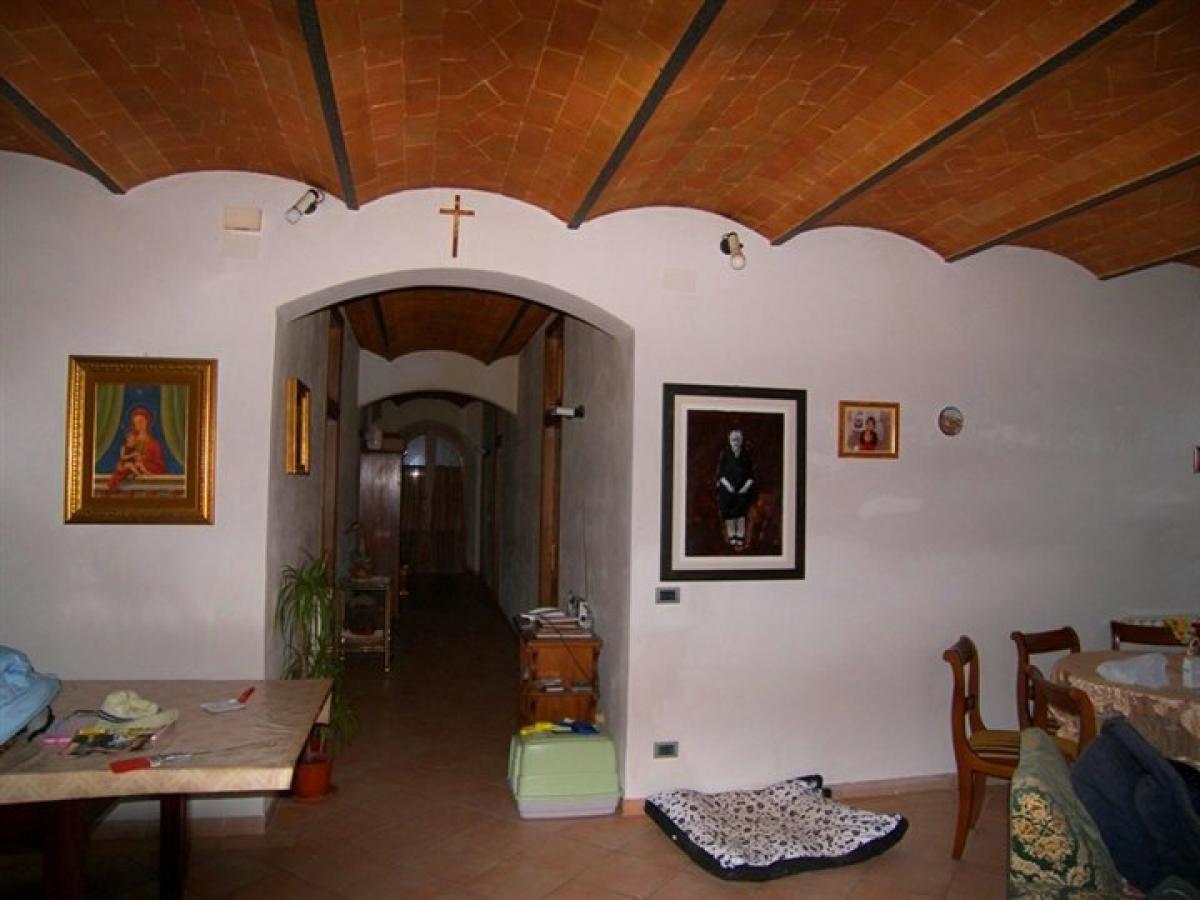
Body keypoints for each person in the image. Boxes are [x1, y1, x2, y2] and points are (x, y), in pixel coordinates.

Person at [106, 406, 165, 491]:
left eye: (141, 421)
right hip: (131, 476)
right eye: (136, 423)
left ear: (147, 422)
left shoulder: (154, 444)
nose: (139, 425)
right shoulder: (131, 442)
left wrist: (143, 462)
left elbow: (160, 466)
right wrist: (123, 464)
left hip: (146, 478)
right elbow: (124, 458)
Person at [715, 428, 756, 550]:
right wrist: (728, 486)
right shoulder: (725, 455)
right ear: (729, 440)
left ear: (741, 440)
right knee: (729, 515)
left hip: (743, 491)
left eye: (738, 440)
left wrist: (745, 487)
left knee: (741, 514)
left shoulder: (746, 455)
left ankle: (740, 537)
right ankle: (731, 537)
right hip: (728, 491)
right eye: (733, 440)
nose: (736, 442)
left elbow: (751, 475)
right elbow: (720, 474)